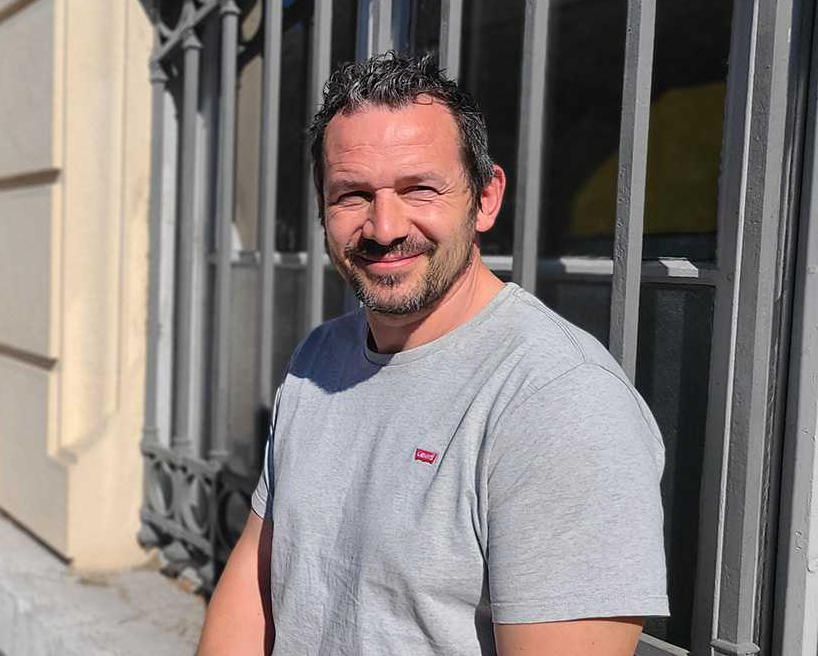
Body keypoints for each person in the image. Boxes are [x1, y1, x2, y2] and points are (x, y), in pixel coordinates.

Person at [198, 52, 669, 655]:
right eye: (352, 195)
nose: (385, 227)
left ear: (486, 198)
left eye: (419, 188)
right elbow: (256, 581)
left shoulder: (559, 401)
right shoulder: (319, 359)